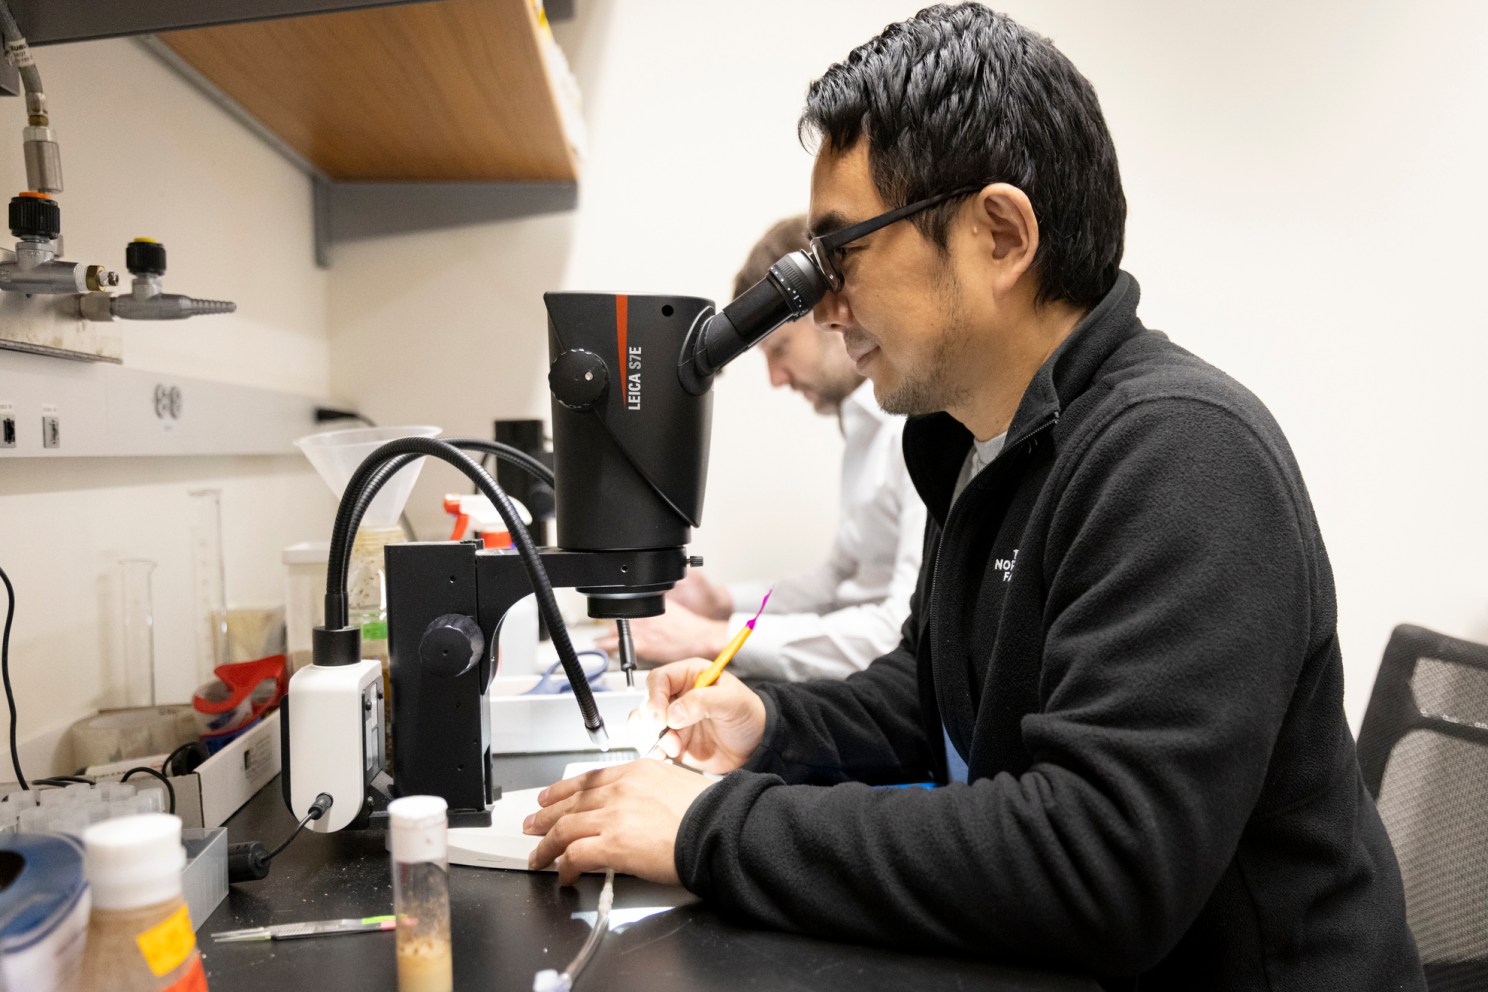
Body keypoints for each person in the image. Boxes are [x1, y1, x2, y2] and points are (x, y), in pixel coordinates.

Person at [524, 6, 1425, 989]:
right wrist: (771, 727)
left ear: (999, 236)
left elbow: (1102, 865)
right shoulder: (973, 447)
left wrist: (709, 826)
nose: (826, 307)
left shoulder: (1185, 456)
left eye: (843, 254)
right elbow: (930, 698)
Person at [596, 217, 926, 681]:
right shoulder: (863, 428)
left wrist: (716, 636)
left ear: (831, 314)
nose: (775, 378)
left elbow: (902, 628)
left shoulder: (913, 431)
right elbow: (837, 581)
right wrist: (723, 603)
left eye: (780, 348)